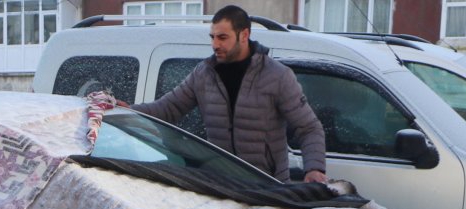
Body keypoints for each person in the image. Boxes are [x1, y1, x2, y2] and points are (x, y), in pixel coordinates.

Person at [130, 5, 327, 183]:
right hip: (223, 185)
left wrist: (315, 168)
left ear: (244, 35)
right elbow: (167, 109)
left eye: (222, 37)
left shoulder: (277, 76)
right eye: (212, 37)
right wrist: (126, 110)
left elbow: (309, 127)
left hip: (269, 187)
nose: (215, 44)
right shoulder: (204, 74)